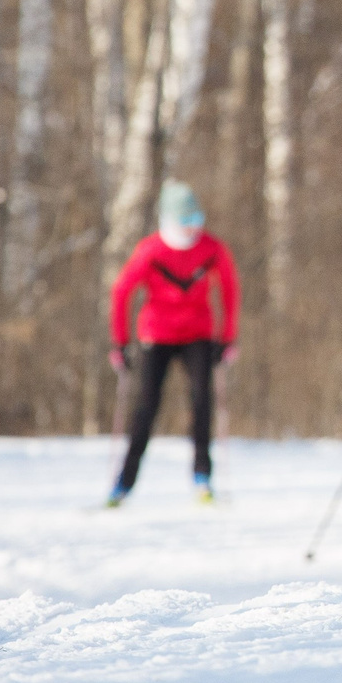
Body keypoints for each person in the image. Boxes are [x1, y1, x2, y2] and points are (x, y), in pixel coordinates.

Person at [105, 181, 242, 506]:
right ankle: (123, 483)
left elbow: (229, 288)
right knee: (146, 408)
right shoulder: (151, 250)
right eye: (187, 222)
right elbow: (122, 291)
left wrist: (228, 337)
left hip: (198, 334)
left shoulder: (211, 248)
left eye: (197, 221)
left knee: (201, 403)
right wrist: (120, 342)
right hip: (157, 334)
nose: (193, 229)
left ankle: (202, 478)